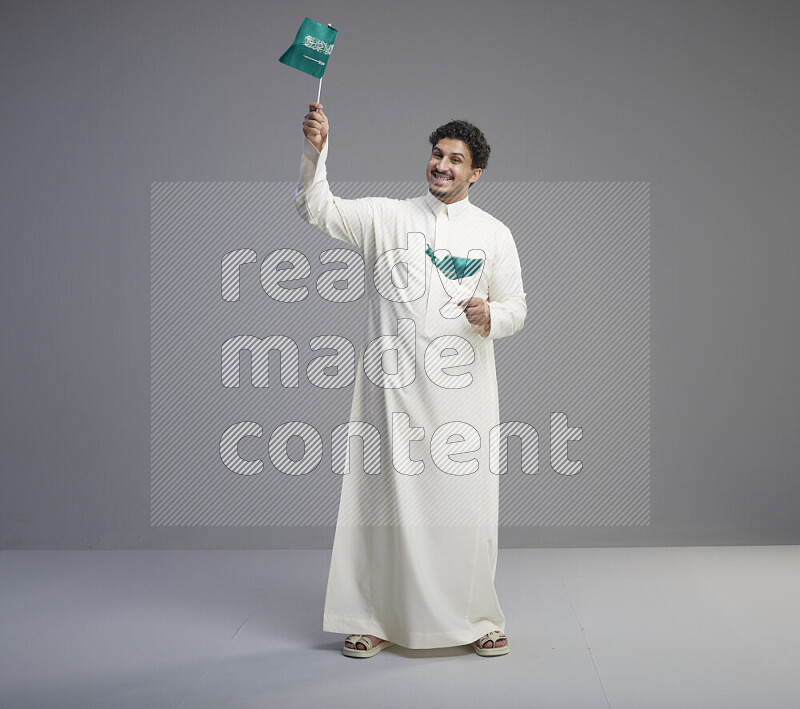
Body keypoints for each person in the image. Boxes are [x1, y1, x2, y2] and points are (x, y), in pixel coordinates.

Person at [296, 103, 526, 657]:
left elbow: (518, 306)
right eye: (436, 155)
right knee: (381, 505)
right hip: (391, 395)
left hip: (462, 399)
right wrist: (316, 150)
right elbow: (316, 208)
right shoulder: (387, 218)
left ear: (475, 174)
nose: (441, 166)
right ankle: (371, 617)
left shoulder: (494, 234)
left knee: (463, 509)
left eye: (455, 160)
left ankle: (475, 618)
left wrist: (490, 316)